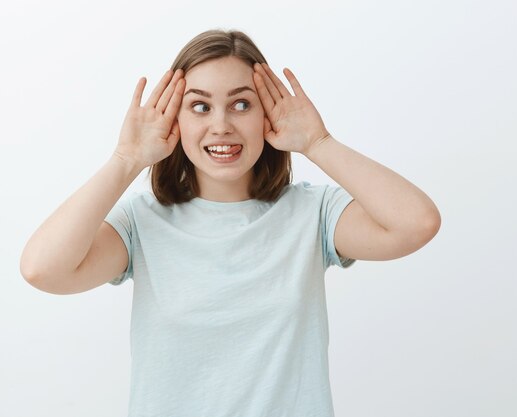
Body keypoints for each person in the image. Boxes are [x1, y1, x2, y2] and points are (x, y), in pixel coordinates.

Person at [20, 29, 441, 417]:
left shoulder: (313, 214)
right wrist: (125, 161)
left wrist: (318, 143)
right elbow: (43, 269)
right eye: (200, 106)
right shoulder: (140, 223)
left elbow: (416, 223)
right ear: (175, 121)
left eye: (241, 104)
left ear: (267, 115)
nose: (221, 125)